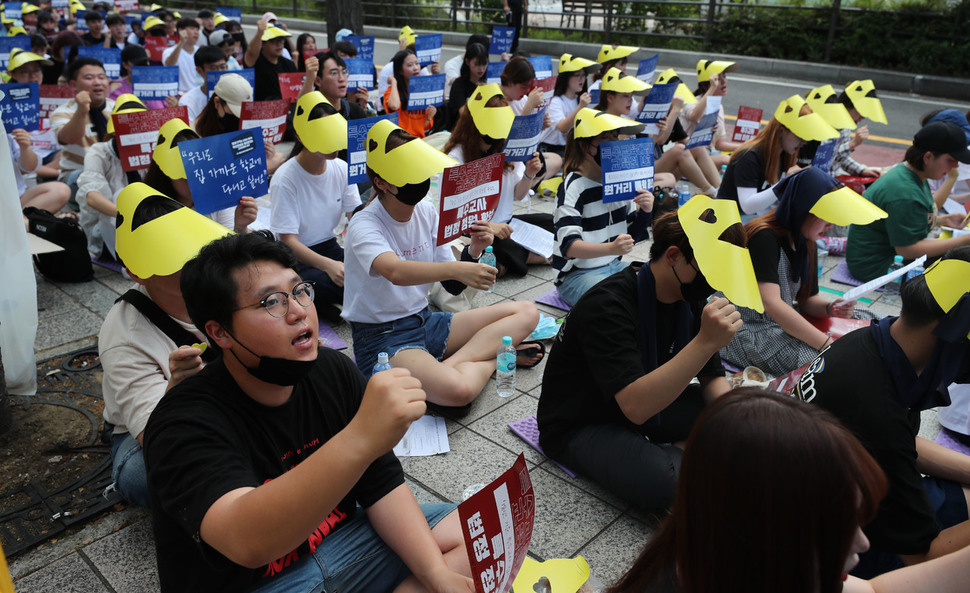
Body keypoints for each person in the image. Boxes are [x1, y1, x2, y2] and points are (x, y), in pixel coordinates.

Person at [144, 231, 475, 593]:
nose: (299, 311)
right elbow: (247, 542)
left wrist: (435, 575)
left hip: (340, 545)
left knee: (476, 532)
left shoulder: (332, 371)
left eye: (300, 291)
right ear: (219, 332)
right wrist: (362, 436)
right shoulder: (183, 421)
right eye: (272, 302)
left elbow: (382, 485)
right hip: (253, 584)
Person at [606, 389, 970, 593]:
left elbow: (874, 592)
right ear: (772, 533)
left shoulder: (742, 563)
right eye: (843, 528)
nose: (863, 542)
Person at [538, 198, 753, 511]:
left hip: (641, 401)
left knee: (735, 414)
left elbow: (711, 379)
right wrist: (706, 341)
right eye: (710, 268)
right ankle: (677, 456)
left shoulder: (687, 295)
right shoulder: (607, 306)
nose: (715, 281)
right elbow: (636, 407)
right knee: (664, 484)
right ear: (674, 256)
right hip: (583, 420)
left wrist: (743, 424)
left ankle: (679, 451)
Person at [793, 248, 970, 578]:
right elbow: (921, 560)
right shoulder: (876, 411)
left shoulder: (867, 340)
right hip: (837, 547)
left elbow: (902, 445)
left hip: (823, 494)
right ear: (951, 336)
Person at [342, 119, 541, 407]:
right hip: (383, 338)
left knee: (526, 312)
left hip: (424, 321)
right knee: (458, 392)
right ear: (381, 182)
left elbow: (451, 286)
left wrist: (473, 250)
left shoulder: (425, 211)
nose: (419, 178)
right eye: (409, 173)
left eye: (420, 169)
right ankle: (490, 361)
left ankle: (453, 364)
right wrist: (460, 267)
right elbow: (395, 271)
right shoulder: (365, 224)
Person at [99, 184, 229, 507]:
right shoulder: (123, 333)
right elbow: (152, 435)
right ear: (136, 273)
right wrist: (176, 387)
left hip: (228, 402)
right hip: (146, 431)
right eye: (169, 258)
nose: (191, 267)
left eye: (190, 249)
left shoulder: (221, 289)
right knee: (140, 475)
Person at [719, 168, 886, 375]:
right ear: (803, 208)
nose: (829, 225)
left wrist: (830, 308)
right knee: (823, 364)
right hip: (746, 328)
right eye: (826, 218)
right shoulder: (764, 237)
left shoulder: (805, 239)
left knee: (875, 319)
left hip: (779, 322)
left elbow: (807, 300)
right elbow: (772, 303)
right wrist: (827, 344)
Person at [443, 83, 549, 277]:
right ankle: (520, 260)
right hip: (477, 230)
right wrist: (489, 226)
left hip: (507, 224)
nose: (494, 137)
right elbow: (453, 214)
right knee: (509, 249)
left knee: (551, 222)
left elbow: (518, 194)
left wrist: (529, 174)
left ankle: (515, 262)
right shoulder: (456, 156)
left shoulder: (505, 147)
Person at [270, 92, 359, 318]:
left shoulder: (340, 167)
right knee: (331, 283)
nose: (334, 145)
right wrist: (328, 265)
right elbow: (288, 241)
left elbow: (356, 216)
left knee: (368, 273)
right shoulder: (286, 178)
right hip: (296, 256)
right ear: (301, 137)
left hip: (329, 246)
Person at [552, 107, 653, 306]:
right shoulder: (573, 187)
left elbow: (633, 235)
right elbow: (569, 247)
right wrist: (611, 248)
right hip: (577, 276)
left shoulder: (620, 180)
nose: (613, 144)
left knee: (658, 284)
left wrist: (646, 212)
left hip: (613, 266)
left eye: (615, 137)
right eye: (604, 139)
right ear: (584, 146)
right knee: (615, 302)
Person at [847, 121, 970, 281]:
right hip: (879, 266)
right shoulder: (904, 192)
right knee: (961, 262)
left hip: (880, 257)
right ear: (928, 157)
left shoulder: (913, 173)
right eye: (951, 160)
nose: (956, 166)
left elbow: (903, 219)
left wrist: (942, 220)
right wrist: (965, 240)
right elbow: (907, 250)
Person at [717, 94, 837, 216]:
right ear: (781, 131)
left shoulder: (784, 154)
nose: (803, 143)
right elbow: (747, 206)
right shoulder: (749, 156)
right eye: (799, 136)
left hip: (753, 219)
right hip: (729, 221)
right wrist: (785, 182)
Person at [144, 117, 258, 233]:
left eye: (201, 172)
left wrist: (240, 227)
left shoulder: (218, 198)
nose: (197, 181)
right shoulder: (149, 216)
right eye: (186, 175)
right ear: (165, 175)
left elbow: (233, 244)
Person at [76, 94, 146, 258]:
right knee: (121, 196)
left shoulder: (151, 150)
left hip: (145, 223)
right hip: (107, 227)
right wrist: (129, 217)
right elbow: (92, 197)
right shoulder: (99, 152)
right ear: (115, 133)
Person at [594, 67, 677, 189]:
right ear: (610, 98)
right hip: (605, 181)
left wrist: (656, 137)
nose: (631, 101)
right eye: (625, 96)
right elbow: (605, 164)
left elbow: (638, 157)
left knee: (669, 178)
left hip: (626, 176)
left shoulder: (626, 122)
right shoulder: (597, 121)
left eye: (631, 96)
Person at [194, 73, 287, 174]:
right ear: (217, 102)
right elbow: (209, 177)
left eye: (244, 112)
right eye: (235, 111)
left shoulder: (246, 128)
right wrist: (263, 168)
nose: (239, 118)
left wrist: (266, 153)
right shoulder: (195, 135)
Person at [50, 56, 114, 199]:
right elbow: (69, 138)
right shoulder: (63, 112)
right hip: (77, 175)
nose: (97, 82)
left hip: (114, 173)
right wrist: (81, 111)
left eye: (101, 77)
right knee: (92, 178)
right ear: (73, 85)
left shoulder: (117, 108)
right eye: (89, 78)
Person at [681, 60, 741, 184]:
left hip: (710, 156)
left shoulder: (719, 107)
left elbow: (719, 144)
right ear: (705, 85)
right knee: (726, 160)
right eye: (718, 79)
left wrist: (745, 146)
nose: (724, 81)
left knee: (738, 157)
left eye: (724, 76)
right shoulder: (692, 102)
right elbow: (693, 115)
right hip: (690, 159)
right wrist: (713, 88)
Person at [539, 53, 600, 158]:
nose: (582, 79)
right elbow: (562, 127)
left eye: (584, 75)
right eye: (578, 75)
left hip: (566, 148)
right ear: (566, 77)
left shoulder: (578, 100)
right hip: (548, 149)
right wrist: (580, 107)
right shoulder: (556, 101)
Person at [833, 79, 888, 178]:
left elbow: (842, 159)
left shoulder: (846, 125)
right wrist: (852, 144)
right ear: (847, 105)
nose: (863, 117)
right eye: (861, 111)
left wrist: (861, 170)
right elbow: (824, 159)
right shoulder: (827, 123)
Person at [383, 49, 436, 138]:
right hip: (401, 140)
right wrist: (394, 81)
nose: (415, 68)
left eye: (417, 63)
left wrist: (429, 117)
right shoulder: (392, 91)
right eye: (410, 65)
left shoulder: (423, 90)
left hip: (419, 140)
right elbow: (394, 106)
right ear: (400, 70)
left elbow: (421, 128)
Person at [244, 19, 296, 101]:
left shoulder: (288, 64)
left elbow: (295, 89)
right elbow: (251, 53)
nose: (279, 45)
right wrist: (260, 33)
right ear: (263, 44)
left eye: (281, 41)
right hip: (261, 110)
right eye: (274, 41)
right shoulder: (256, 62)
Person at [109, 44, 171, 110]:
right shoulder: (116, 88)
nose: (142, 68)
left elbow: (169, 111)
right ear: (125, 65)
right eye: (138, 64)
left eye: (144, 63)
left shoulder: (159, 85)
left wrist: (174, 105)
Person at [178, 45, 227, 123]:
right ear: (199, 70)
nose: (219, 72)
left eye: (223, 67)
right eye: (213, 68)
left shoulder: (235, 94)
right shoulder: (187, 101)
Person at [445, 41, 487, 131]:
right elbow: (463, 113)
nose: (481, 68)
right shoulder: (459, 85)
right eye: (477, 64)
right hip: (461, 131)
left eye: (484, 64)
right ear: (467, 61)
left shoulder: (486, 84)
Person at [162, 17, 200, 94]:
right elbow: (169, 65)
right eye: (192, 29)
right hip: (179, 94)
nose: (196, 32)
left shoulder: (200, 51)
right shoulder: (169, 51)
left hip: (198, 93)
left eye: (197, 30)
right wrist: (181, 42)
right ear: (180, 31)